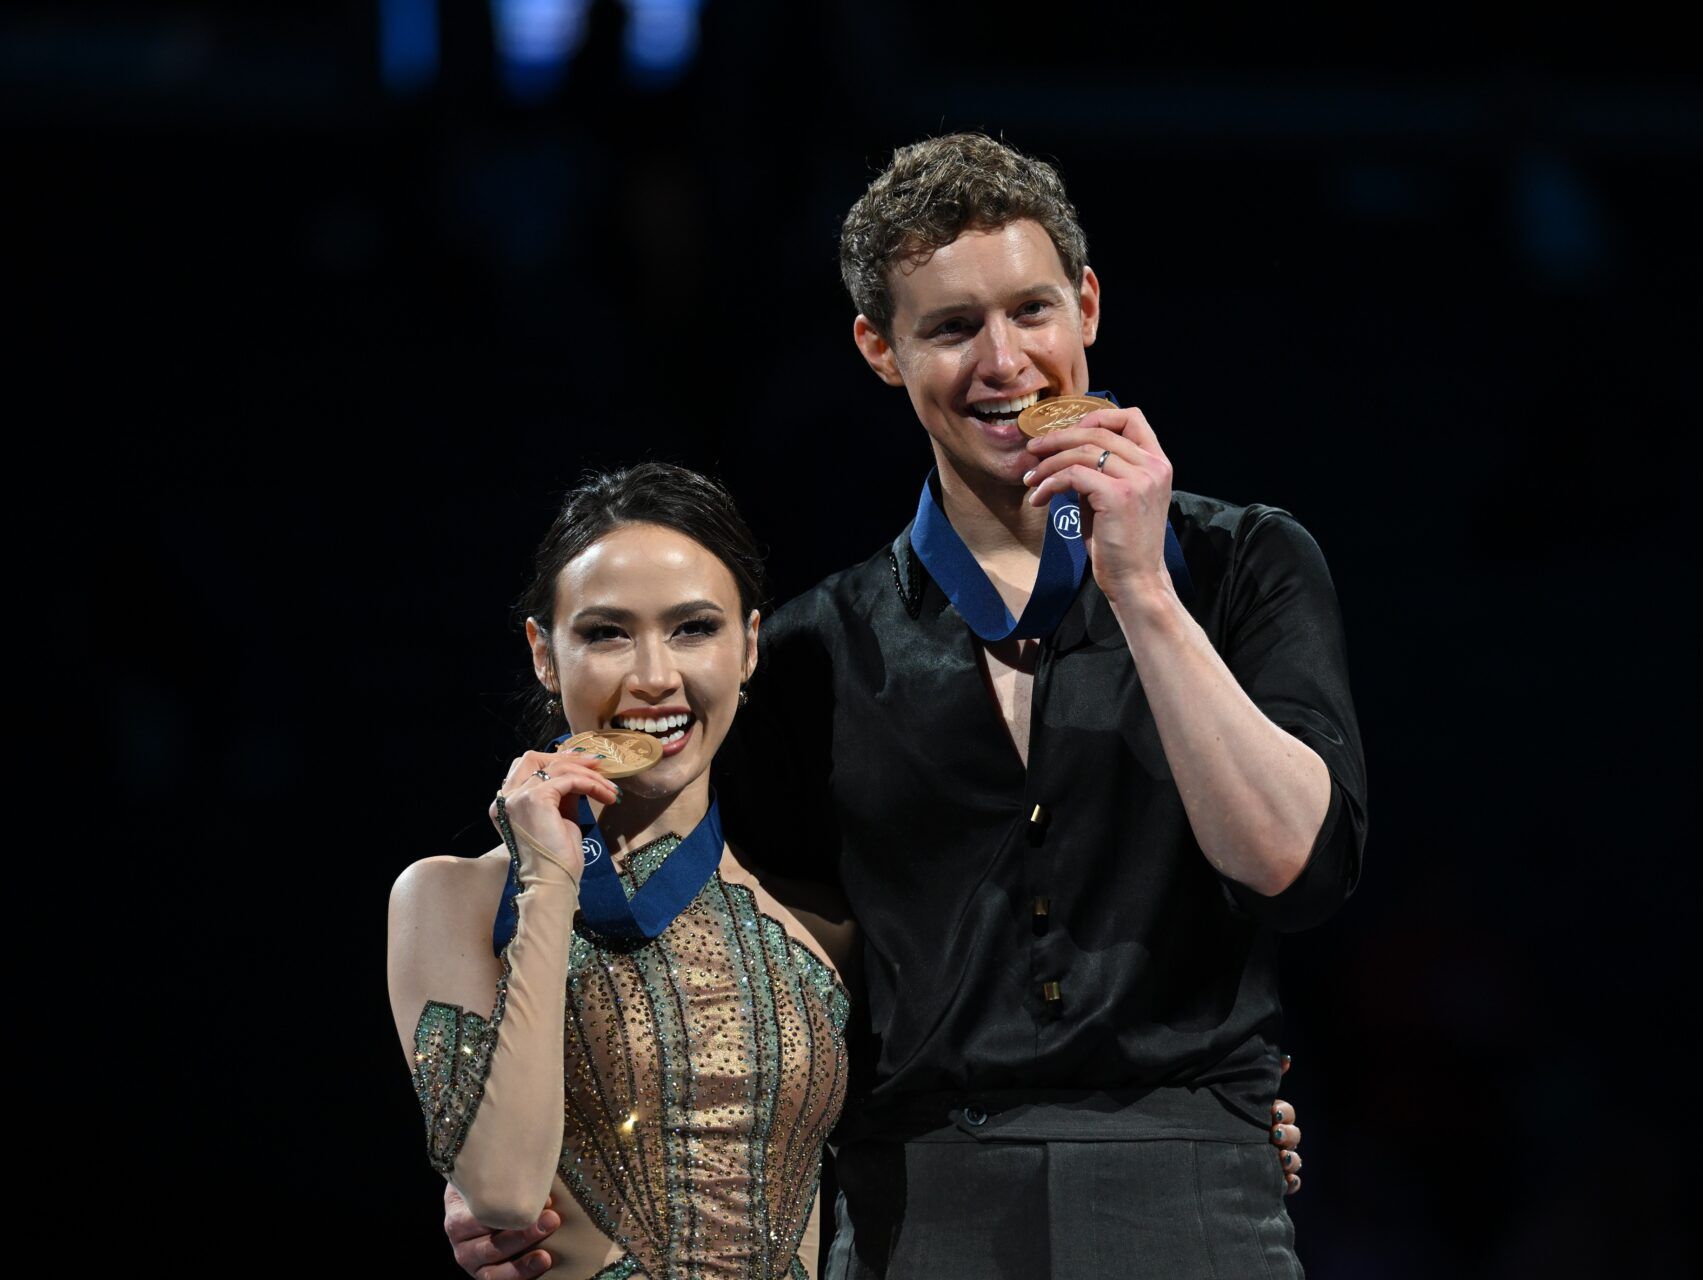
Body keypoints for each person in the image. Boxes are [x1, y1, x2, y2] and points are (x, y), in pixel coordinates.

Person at [442, 131, 1358, 1279]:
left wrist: (1140, 587)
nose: (1005, 361)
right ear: (880, 349)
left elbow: (1292, 866)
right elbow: (730, 958)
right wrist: (527, 1164)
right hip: (918, 1203)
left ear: (1087, 304)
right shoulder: (817, 651)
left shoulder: (1241, 568)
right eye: (951, 328)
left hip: (1186, 1182)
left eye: (1031, 311)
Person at [388, 463, 859, 1280]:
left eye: (693, 629)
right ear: (544, 652)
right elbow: (499, 1193)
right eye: (606, 633)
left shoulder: (822, 923)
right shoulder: (452, 898)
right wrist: (548, 883)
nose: (652, 676)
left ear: (749, 646)